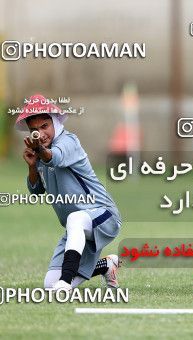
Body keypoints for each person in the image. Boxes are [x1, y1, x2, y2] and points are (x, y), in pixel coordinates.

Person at [16, 94, 122, 290]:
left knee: (75, 219)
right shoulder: (41, 152)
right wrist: (32, 167)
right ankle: (107, 265)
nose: (40, 133)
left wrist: (39, 150)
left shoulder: (69, 141)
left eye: (44, 126)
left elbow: (54, 158)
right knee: (49, 284)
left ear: (55, 123)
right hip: (78, 227)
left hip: (104, 215)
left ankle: (65, 282)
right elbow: (36, 191)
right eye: (34, 130)